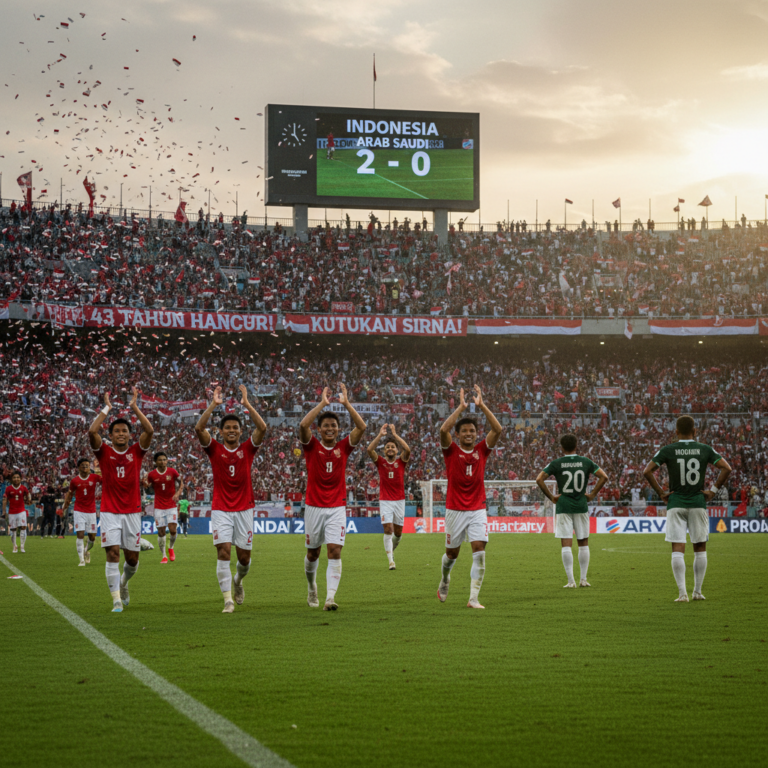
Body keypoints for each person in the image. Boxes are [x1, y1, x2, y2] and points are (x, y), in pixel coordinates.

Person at [642, 415, 731, 602]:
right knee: (700, 548)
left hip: (676, 503)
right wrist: (713, 491)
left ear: (676, 432)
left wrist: (661, 492)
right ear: (695, 431)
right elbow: (726, 468)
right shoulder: (704, 449)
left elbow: (647, 471)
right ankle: (697, 592)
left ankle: (682, 593)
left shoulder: (668, 450)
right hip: (698, 502)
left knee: (677, 548)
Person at [195, 385, 266, 614]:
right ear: (221, 431)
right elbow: (199, 428)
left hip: (244, 509)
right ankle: (227, 600)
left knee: (244, 560)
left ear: (240, 431)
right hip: (221, 509)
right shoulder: (214, 449)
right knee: (223, 551)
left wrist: (246, 404)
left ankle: (238, 580)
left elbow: (262, 427)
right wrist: (213, 405)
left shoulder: (248, 449)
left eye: (236, 427)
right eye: (228, 428)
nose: (232, 430)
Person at [299, 384, 366, 611]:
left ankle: (330, 598)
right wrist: (322, 404)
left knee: (335, 551)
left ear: (338, 429)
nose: (330, 428)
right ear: (319, 429)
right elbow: (302, 425)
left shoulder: (343, 447)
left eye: (334, 426)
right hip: (314, 507)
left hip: (337, 507)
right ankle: (311, 588)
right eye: (326, 425)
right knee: (313, 553)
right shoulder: (311, 446)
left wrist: (346, 404)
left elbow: (362, 426)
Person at [88, 388, 154, 613]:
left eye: (124, 431)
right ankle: (116, 599)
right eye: (116, 431)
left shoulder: (136, 452)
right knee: (112, 554)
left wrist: (135, 407)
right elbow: (92, 431)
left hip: (132, 512)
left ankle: (124, 583)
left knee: (132, 560)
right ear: (111, 435)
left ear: (129, 434)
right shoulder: (104, 452)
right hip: (109, 512)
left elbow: (149, 430)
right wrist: (107, 408)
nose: (121, 434)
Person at [437, 386, 503, 609]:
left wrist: (482, 405)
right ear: (458, 434)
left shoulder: (482, 450)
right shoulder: (451, 450)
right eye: (464, 431)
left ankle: (473, 598)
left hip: (477, 509)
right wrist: (461, 407)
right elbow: (443, 431)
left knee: (479, 551)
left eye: (472, 431)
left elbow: (498, 429)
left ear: (476, 434)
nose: (468, 434)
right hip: (455, 509)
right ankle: (445, 579)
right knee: (451, 554)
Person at [536, 434, 608, 588]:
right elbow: (603, 476)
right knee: (583, 543)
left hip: (563, 506)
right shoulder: (586, 462)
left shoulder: (557, 463)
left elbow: (539, 479)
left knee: (566, 543)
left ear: (561, 447)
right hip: (581, 504)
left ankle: (570, 581)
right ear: (577, 445)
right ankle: (583, 579)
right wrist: (593, 494)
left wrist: (551, 497)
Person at [366, 423, 411, 570]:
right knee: (388, 529)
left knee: (398, 533)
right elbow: (369, 449)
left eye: (393, 447)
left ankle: (391, 550)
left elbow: (408, 450)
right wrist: (380, 435)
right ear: (384, 451)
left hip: (399, 501)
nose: (390, 449)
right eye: (387, 447)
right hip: (385, 500)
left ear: (397, 450)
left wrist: (395, 435)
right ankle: (391, 561)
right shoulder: (381, 462)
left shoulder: (401, 462)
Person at [143, 452, 183, 563]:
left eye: (165, 459)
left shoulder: (172, 472)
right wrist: (145, 486)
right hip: (159, 506)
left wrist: (178, 493)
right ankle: (164, 555)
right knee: (161, 532)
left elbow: (181, 482)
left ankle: (171, 548)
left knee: (172, 530)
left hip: (171, 505)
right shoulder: (151, 475)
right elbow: (148, 489)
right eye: (160, 460)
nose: (163, 462)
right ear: (156, 462)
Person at [62, 458, 102, 566]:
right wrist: (65, 506)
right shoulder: (74, 481)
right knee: (80, 534)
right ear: (79, 468)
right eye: (83, 466)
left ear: (90, 467)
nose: (85, 467)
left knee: (92, 538)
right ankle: (81, 560)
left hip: (91, 511)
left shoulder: (95, 477)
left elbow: (106, 481)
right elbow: (70, 495)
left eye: (87, 466)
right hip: (79, 510)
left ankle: (86, 551)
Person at [3, 471, 31, 554]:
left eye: (18, 477)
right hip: (12, 512)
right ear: (12, 479)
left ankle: (22, 546)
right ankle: (14, 546)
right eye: (14, 477)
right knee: (13, 530)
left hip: (21, 511)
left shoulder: (23, 488)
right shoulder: (8, 489)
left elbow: (28, 495)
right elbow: (5, 500)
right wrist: (4, 512)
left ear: (20, 478)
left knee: (23, 527)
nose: (16, 479)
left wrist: (29, 499)